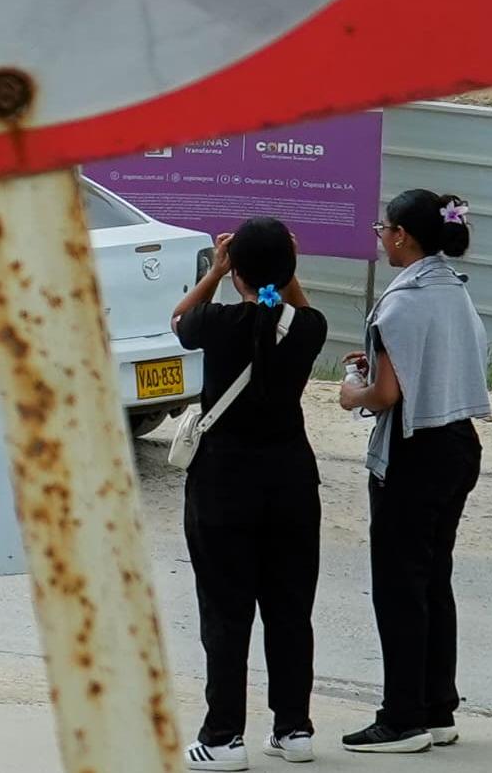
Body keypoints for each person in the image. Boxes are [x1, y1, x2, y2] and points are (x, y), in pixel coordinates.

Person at [169, 218, 329, 768]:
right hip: (290, 484)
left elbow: (179, 319)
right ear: (287, 270)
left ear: (235, 267)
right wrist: (285, 275)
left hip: (223, 486)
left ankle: (222, 737)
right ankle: (294, 729)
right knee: (289, 610)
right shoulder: (309, 328)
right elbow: (300, 312)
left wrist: (216, 271)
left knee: (226, 613)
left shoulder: (215, 323)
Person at [340, 190, 491, 753]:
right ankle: (436, 708)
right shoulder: (454, 291)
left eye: (383, 227)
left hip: (415, 448)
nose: (380, 236)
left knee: (400, 588)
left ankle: (401, 718)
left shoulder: (401, 303)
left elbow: (384, 394)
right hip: (458, 442)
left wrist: (349, 393)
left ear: (402, 234)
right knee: (433, 579)